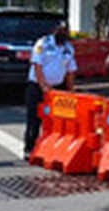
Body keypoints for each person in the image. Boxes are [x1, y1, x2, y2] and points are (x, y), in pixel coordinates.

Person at [24, 21, 77, 159]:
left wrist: (71, 91)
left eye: (65, 30)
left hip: (57, 88)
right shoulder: (43, 44)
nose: (63, 33)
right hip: (37, 86)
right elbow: (37, 65)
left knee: (57, 121)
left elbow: (70, 71)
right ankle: (29, 148)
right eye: (61, 30)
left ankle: (51, 149)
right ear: (55, 30)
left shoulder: (68, 48)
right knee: (34, 119)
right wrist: (43, 85)